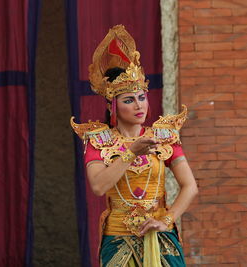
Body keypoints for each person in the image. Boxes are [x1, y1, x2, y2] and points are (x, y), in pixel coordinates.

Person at [70, 25, 198, 267]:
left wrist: (168, 219)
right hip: (118, 238)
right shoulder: (99, 140)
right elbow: (98, 186)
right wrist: (130, 153)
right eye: (129, 100)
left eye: (142, 98)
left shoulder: (164, 136)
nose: (139, 105)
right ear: (112, 107)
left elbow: (190, 186)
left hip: (161, 237)